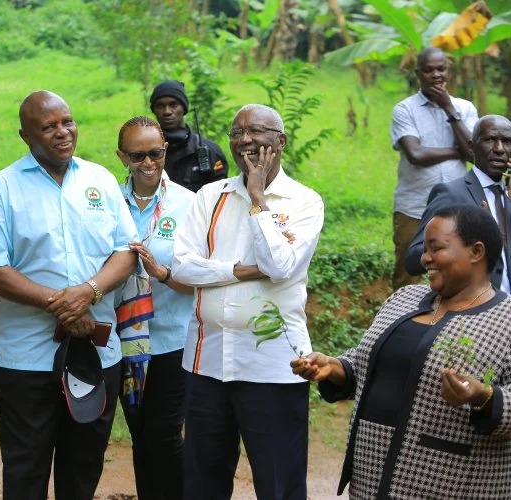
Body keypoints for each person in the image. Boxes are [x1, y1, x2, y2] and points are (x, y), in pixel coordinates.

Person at [0, 90, 138, 500]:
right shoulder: (2, 189)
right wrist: (61, 305)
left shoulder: (99, 179)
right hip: (25, 357)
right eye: (48, 127)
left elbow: (126, 251)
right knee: (26, 465)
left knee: (84, 466)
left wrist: (87, 292)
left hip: (97, 351)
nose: (63, 132)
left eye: (67, 121)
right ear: (26, 136)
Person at [292, 204, 511, 499]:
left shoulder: (505, 319)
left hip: (449, 483)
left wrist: (484, 397)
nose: (425, 258)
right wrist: (336, 367)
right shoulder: (405, 299)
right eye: (424, 248)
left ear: (476, 252)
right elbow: (369, 360)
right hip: (372, 475)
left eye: (436, 248)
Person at [172, 104, 324, 499]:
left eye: (256, 131)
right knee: (203, 481)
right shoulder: (209, 195)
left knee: (278, 482)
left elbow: (277, 265)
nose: (244, 140)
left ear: (280, 141)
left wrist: (258, 197)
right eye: (236, 133)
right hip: (206, 363)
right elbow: (182, 269)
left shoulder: (304, 202)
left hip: (273, 367)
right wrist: (240, 270)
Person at [114, 116, 196, 500]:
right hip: (122, 344)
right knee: (140, 434)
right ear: (122, 157)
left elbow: (199, 280)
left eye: (156, 153)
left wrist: (160, 272)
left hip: (171, 340)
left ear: (166, 150)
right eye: (138, 155)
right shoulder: (107, 203)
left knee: (163, 435)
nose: (148, 163)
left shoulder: (189, 204)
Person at [390, 47, 478, 290]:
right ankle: (401, 324)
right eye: (429, 70)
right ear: (418, 73)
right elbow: (416, 154)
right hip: (413, 207)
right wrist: (457, 151)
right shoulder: (405, 110)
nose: (436, 75)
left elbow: (473, 154)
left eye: (441, 69)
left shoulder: (465, 108)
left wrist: (449, 109)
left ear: (448, 71)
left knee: (454, 270)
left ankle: (445, 325)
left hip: (456, 208)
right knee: (408, 273)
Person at [405, 115, 511, 294]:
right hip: (474, 308)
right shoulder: (452, 194)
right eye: (490, 140)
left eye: (507, 142)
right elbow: (413, 259)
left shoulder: (508, 194)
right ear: (471, 147)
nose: (499, 149)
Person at [150, 80, 228, 192]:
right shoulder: (146, 153)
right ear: (154, 111)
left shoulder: (210, 151)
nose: (167, 111)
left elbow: (220, 197)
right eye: (160, 106)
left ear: (184, 108)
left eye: (173, 105)